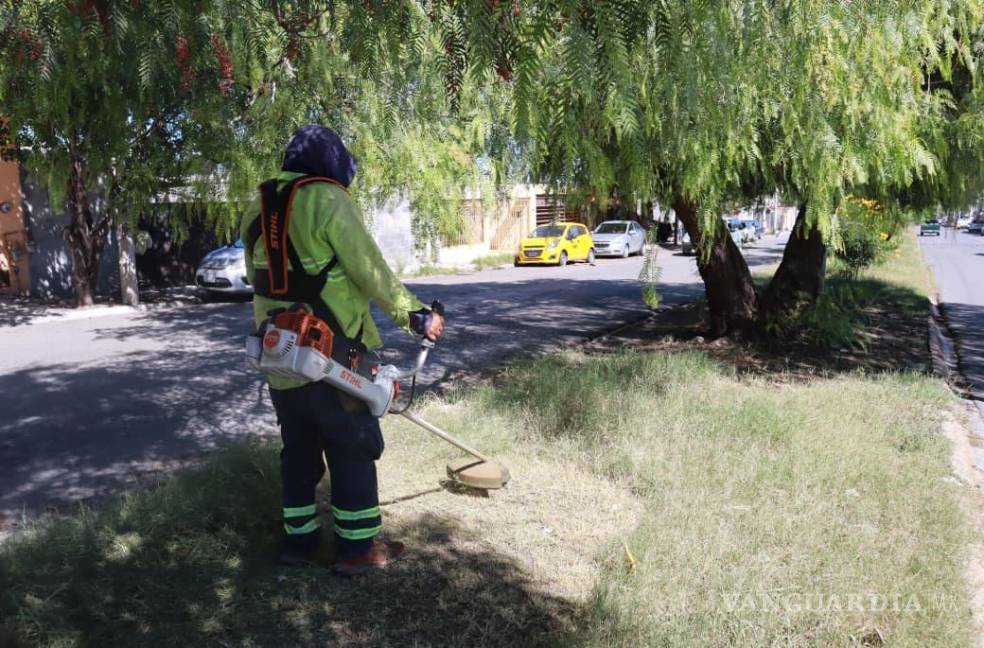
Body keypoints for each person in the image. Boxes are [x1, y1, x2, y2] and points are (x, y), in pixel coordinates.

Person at [240, 124, 445, 575]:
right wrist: (416, 316)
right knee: (352, 445)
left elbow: (258, 279)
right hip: (333, 356)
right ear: (333, 163)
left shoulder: (258, 204)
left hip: (280, 354)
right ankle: (356, 549)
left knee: (298, 448)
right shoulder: (328, 200)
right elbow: (370, 270)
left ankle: (299, 542)